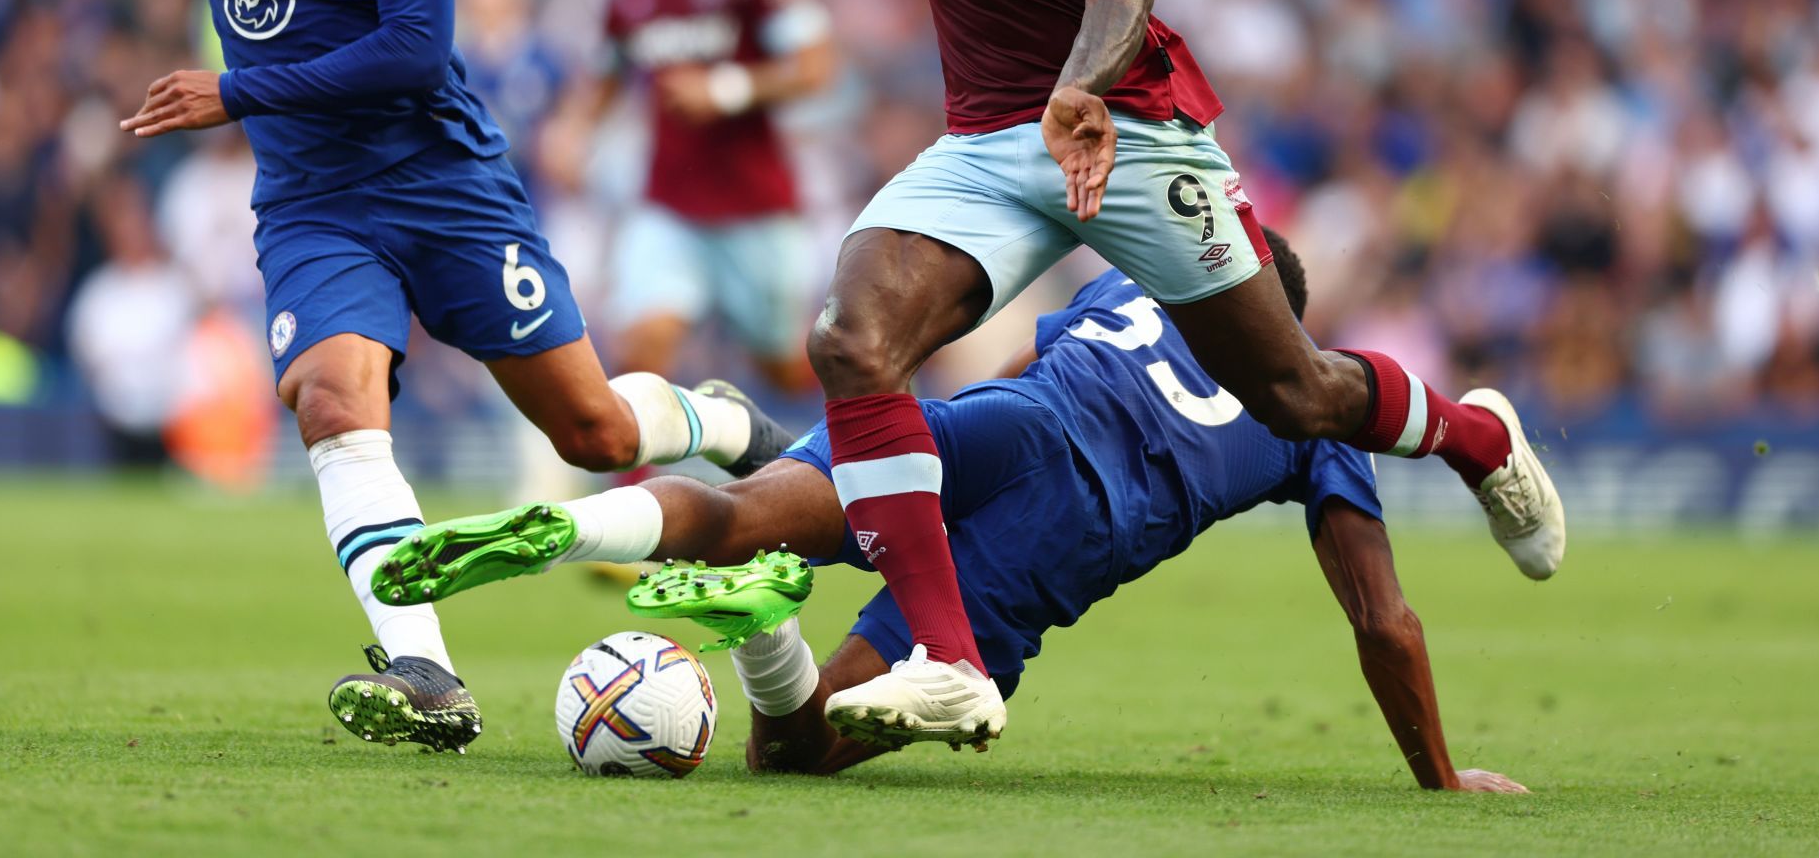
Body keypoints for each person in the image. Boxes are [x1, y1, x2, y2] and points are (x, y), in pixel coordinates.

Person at [773, 0, 1565, 744]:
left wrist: (1082, 89)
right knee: (851, 342)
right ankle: (949, 659)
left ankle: (1478, 435)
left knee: (1293, 392)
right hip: (989, 142)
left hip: (1121, 132)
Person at [133, 0, 787, 754]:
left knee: (590, 429)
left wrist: (238, 91)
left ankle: (716, 417)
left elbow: (416, 51)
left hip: (442, 184)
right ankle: (427, 667)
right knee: (333, 400)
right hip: (312, 198)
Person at [372, 233, 1528, 790]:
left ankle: (596, 515)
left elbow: (1034, 354)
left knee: (747, 512)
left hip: (995, 422)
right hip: (1060, 530)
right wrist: (1437, 772)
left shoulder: (1129, 287)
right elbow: (1383, 618)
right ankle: (765, 634)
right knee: (793, 749)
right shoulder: (1313, 412)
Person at [543, 0, 836, 394]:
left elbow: (816, 67)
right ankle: (636, 485)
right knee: (641, 348)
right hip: (668, 202)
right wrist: (572, 129)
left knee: (784, 367)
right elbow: (606, 72)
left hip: (754, 203)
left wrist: (725, 90)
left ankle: (871, 431)